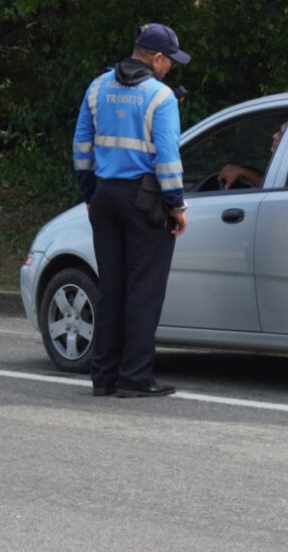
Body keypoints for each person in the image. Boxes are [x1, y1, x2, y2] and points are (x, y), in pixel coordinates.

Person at [73, 23, 190, 398]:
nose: (171, 67)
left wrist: (89, 192)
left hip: (104, 197)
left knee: (111, 288)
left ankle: (103, 376)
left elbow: (81, 143)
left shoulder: (98, 86)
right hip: (143, 201)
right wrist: (176, 205)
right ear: (156, 58)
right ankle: (135, 378)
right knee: (143, 291)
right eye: (170, 60)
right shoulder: (161, 96)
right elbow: (168, 158)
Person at [217, 120, 288, 189]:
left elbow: (274, 190)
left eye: (282, 134)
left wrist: (243, 172)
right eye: (278, 132)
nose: (274, 136)